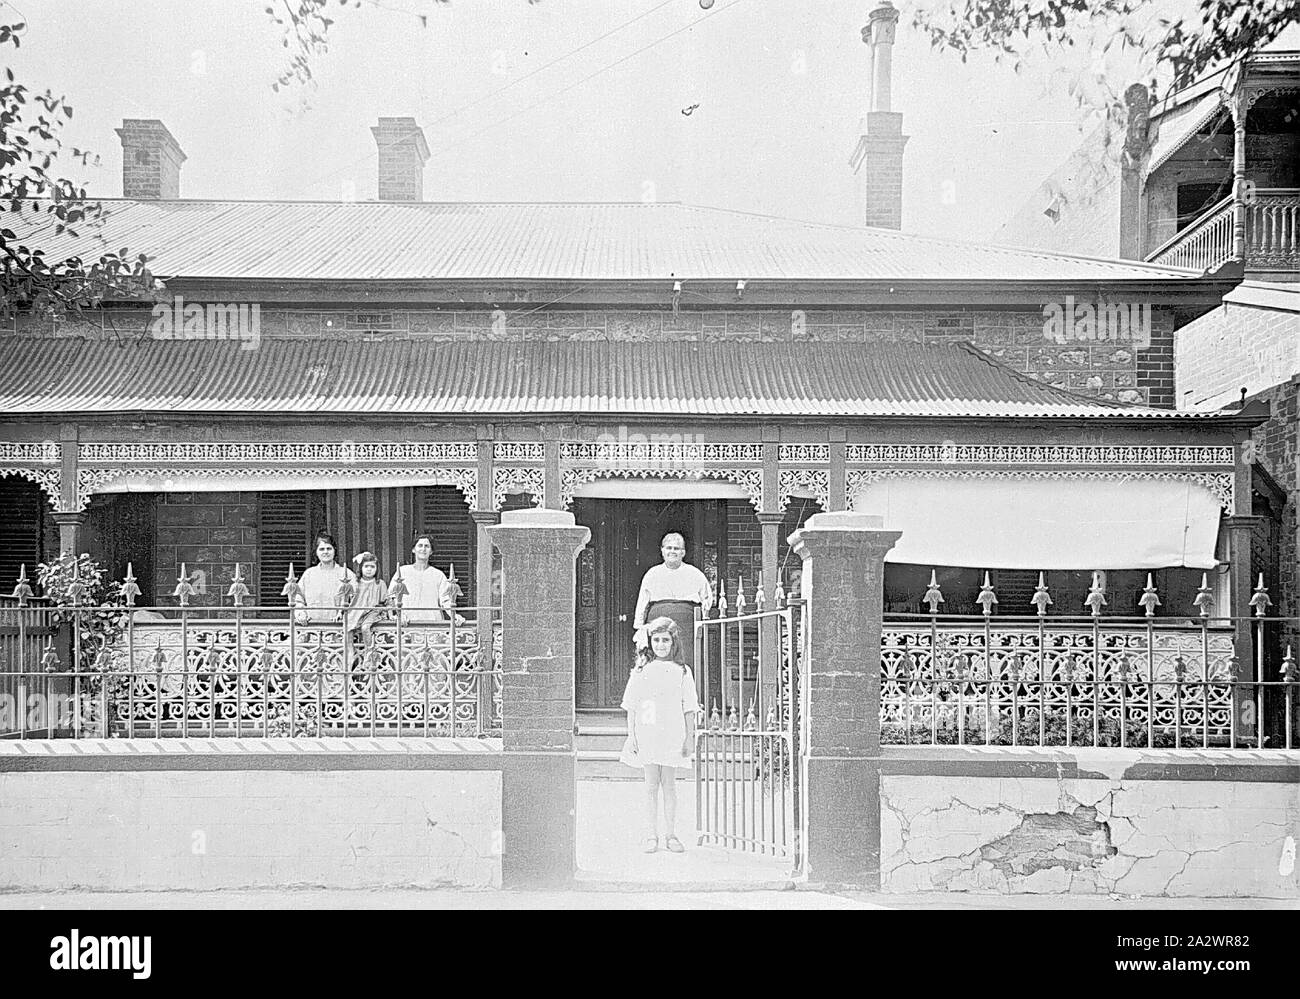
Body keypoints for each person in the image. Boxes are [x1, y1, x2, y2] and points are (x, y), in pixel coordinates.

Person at [619, 616, 700, 854]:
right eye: (656, 640)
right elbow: (632, 706)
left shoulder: (683, 672)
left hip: (673, 733)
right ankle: (650, 834)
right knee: (650, 786)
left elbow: (689, 707)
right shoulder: (641, 670)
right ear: (650, 642)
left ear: (673, 643)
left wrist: (689, 737)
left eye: (666, 640)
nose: (661, 645)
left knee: (670, 785)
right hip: (648, 732)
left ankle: (671, 834)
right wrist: (632, 737)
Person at [632, 532, 713, 668]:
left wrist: (702, 618)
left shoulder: (695, 574)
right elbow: (642, 602)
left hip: (686, 625)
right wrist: (640, 627)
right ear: (662, 551)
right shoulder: (652, 574)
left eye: (676, 548)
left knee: (685, 660)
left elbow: (707, 599)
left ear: (683, 552)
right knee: (659, 660)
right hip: (658, 622)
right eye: (669, 548)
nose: (672, 552)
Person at [388, 534, 456, 624]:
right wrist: (399, 614)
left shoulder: (438, 575)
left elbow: (446, 600)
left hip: (432, 623)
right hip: (407, 623)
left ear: (431, 551)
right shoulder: (402, 571)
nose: (423, 549)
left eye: (427, 546)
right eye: (420, 546)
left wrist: (455, 616)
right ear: (413, 550)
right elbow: (391, 597)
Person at [294, 532, 358, 624]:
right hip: (312, 628)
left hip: (338, 628)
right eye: (321, 549)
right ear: (316, 552)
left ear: (334, 550)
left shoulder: (346, 574)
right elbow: (298, 599)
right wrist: (301, 613)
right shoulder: (309, 574)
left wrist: (344, 614)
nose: (325, 552)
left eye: (329, 548)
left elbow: (357, 600)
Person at [346, 550, 389, 644]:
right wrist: (339, 612)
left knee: (365, 627)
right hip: (358, 610)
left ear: (377, 569)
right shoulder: (355, 583)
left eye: (372, 566)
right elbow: (346, 599)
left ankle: (369, 652)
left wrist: (391, 614)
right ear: (361, 568)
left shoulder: (380, 583)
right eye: (366, 566)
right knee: (348, 625)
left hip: (374, 611)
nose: (369, 569)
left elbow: (387, 601)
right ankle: (350, 651)